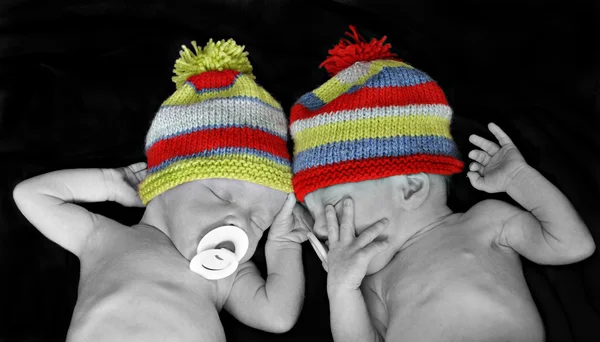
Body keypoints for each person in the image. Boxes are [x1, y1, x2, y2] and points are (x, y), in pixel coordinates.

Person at [290, 26, 595, 342]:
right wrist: (342, 289)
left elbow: (573, 244)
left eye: (333, 209)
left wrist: (519, 179)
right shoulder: (374, 283)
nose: (324, 231)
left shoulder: (485, 222)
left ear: (410, 188)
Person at [13, 38, 307, 341]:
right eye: (221, 195)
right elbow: (32, 196)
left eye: (260, 221)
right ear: (168, 181)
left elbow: (277, 316)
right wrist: (112, 183)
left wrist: (283, 244)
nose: (241, 223)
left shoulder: (228, 275)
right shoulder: (106, 238)